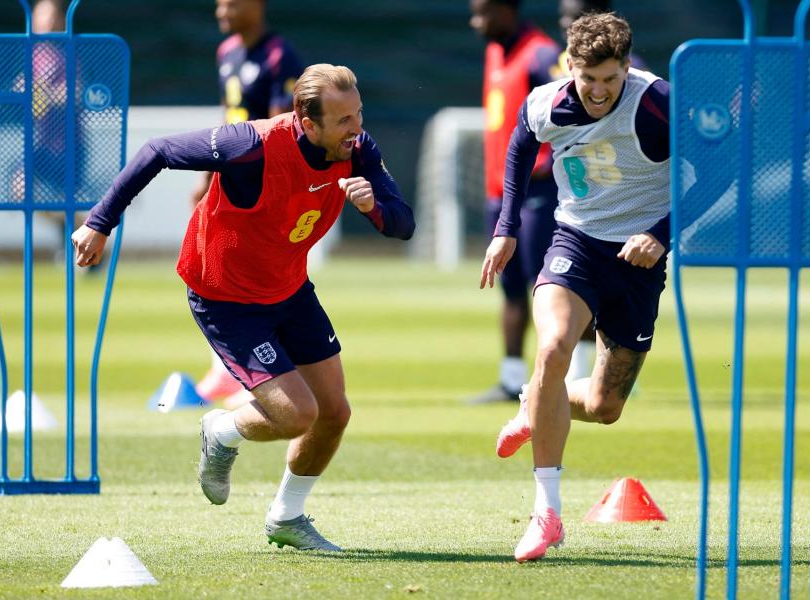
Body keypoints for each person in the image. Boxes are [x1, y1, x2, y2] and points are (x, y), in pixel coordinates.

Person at [72, 64, 415, 551]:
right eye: (343, 120)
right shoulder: (251, 145)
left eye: (358, 114)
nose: (356, 129)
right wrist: (100, 222)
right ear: (306, 120)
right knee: (298, 415)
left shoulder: (358, 150)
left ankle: (286, 517)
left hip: (288, 288)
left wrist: (372, 207)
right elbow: (158, 151)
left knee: (334, 412)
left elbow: (402, 224)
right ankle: (222, 429)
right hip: (225, 297)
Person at [480, 13, 671, 561]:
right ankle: (547, 515)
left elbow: (716, 171)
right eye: (589, 79)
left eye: (610, 79)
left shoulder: (658, 103)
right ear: (571, 67)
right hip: (577, 243)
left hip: (639, 262)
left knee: (606, 405)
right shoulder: (549, 101)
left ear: (627, 68)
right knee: (553, 346)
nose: (599, 90)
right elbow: (519, 143)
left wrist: (661, 234)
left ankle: (533, 404)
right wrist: (505, 230)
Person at [468, 0, 596, 404]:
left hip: (539, 193)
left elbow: (577, 110)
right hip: (501, 193)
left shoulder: (541, 54)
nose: (477, 21)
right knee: (510, 290)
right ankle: (511, 380)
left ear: (508, 9)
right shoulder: (495, 52)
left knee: (556, 286)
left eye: (485, 11)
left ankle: (577, 375)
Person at [192, 0, 305, 403]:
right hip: (230, 182)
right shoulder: (226, 52)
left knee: (264, 274)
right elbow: (227, 119)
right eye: (219, 5)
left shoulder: (280, 54)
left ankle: (269, 372)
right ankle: (228, 369)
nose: (221, 12)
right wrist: (209, 175)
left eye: (231, 4)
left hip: (264, 186)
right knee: (213, 271)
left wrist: (278, 190)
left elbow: (283, 127)